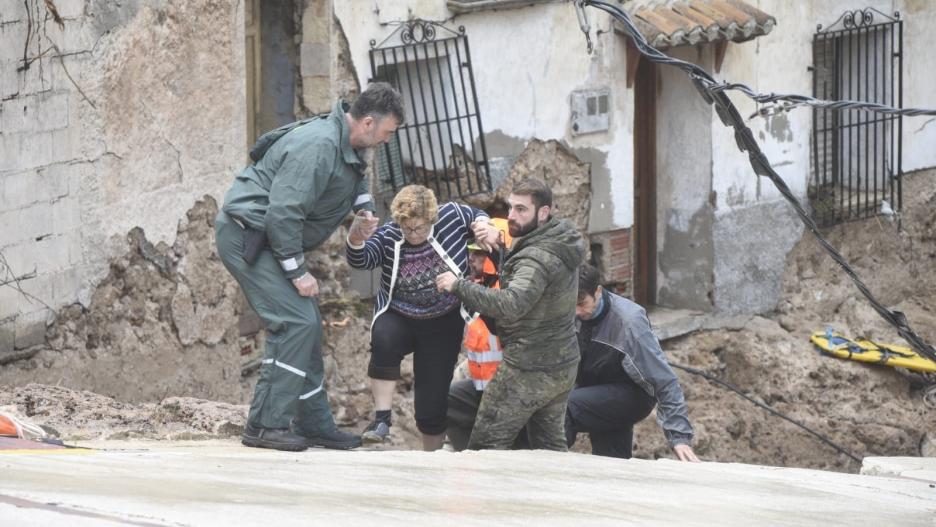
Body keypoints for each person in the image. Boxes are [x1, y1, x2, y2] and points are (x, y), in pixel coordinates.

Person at [215, 82, 404, 452]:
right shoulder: (318, 146)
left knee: (308, 323)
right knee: (294, 322)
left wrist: (364, 210)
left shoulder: (344, 140)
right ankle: (264, 425)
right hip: (248, 236)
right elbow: (283, 213)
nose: (387, 140)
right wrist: (298, 272)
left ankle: (315, 424)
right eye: (387, 133)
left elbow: (355, 175)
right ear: (367, 123)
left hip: (267, 236)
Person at [346, 184, 498, 451]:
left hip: (443, 321)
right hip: (401, 314)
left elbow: (476, 215)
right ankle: (381, 420)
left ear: (431, 218)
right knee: (383, 337)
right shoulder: (391, 235)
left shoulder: (451, 215)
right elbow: (362, 260)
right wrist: (355, 239)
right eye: (407, 228)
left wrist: (484, 224)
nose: (413, 234)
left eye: (418, 228)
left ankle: (432, 458)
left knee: (432, 404)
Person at [436, 178, 584, 451]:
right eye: (510, 207)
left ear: (543, 212)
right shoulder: (560, 238)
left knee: (485, 447)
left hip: (528, 366)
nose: (511, 216)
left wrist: (457, 285)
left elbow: (511, 303)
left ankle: (491, 494)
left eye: (521, 210)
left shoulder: (536, 258)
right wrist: (502, 243)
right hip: (562, 364)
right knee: (549, 448)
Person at [567, 263, 700, 461]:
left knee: (565, 407)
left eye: (581, 303)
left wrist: (679, 437)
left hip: (633, 395)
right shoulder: (572, 314)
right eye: (571, 304)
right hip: (596, 387)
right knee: (611, 462)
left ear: (598, 292)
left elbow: (663, 380)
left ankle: (545, 471)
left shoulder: (629, 323)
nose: (576, 311)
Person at [445, 219, 517, 451]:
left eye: (479, 254)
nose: (471, 260)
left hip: (512, 392)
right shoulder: (475, 289)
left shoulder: (505, 295)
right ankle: (463, 455)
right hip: (481, 388)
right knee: (448, 399)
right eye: (470, 253)